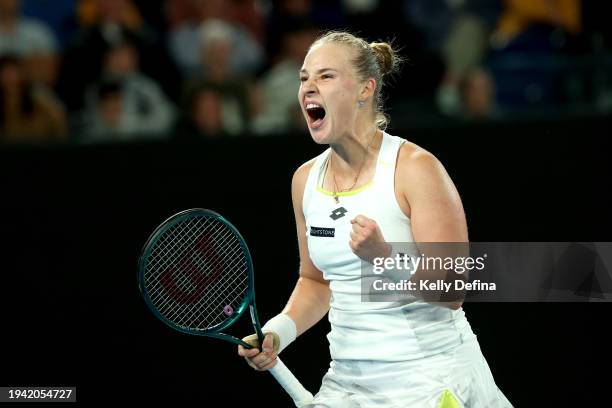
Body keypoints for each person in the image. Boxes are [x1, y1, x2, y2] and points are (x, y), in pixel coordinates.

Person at [237, 31, 513, 407]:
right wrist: (278, 333)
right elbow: (316, 280)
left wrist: (385, 257)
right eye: (304, 78)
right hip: (349, 386)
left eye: (325, 76)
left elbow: (453, 288)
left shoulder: (416, 168)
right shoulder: (304, 180)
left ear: (365, 89)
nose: (308, 89)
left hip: (430, 379)